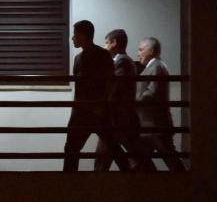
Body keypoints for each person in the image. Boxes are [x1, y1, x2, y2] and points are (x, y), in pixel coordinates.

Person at [63, 20, 131, 172]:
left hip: (91, 111)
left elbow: (109, 83)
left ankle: (68, 185)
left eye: (75, 34)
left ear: (83, 35)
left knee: (73, 149)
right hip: (90, 111)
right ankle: (130, 177)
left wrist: (100, 105)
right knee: (111, 146)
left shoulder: (98, 56)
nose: (72, 38)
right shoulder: (86, 57)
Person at [94, 29, 156, 171]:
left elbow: (115, 88)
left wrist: (103, 105)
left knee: (131, 156)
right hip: (116, 119)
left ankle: (149, 181)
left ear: (114, 43)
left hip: (120, 118)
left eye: (107, 42)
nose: (105, 46)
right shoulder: (121, 61)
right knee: (105, 157)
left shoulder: (122, 61)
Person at [136, 37, 186, 171]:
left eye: (141, 50)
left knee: (171, 162)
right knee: (141, 162)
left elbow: (151, 93)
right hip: (151, 126)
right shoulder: (155, 67)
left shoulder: (156, 67)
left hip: (155, 126)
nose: (138, 53)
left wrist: (132, 101)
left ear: (151, 51)